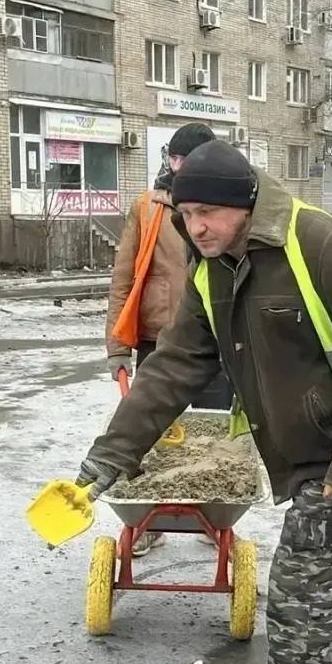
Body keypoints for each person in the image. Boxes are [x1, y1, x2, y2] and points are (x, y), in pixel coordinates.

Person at [78, 141, 332, 664]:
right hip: (305, 452)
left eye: (208, 212)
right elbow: (174, 368)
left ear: (244, 205)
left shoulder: (317, 244)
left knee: (298, 601)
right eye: (185, 213)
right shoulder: (213, 272)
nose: (195, 226)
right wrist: (110, 457)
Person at [103, 122, 228, 556]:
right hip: (159, 336)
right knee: (152, 433)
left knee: (218, 434)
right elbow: (124, 277)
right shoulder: (148, 206)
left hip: (215, 338)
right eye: (176, 160)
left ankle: (213, 517)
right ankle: (151, 520)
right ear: (171, 161)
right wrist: (117, 345)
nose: (181, 168)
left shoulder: (226, 205)